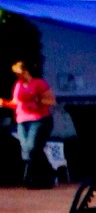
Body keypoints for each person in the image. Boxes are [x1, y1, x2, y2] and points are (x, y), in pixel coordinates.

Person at [0, 58, 56, 188]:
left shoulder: (39, 83)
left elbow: (51, 101)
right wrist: (4, 102)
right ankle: (38, 179)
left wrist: (38, 100)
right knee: (27, 150)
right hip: (22, 120)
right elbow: (16, 103)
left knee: (31, 147)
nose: (17, 76)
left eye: (19, 73)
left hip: (38, 119)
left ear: (25, 71)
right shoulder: (18, 85)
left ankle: (43, 176)